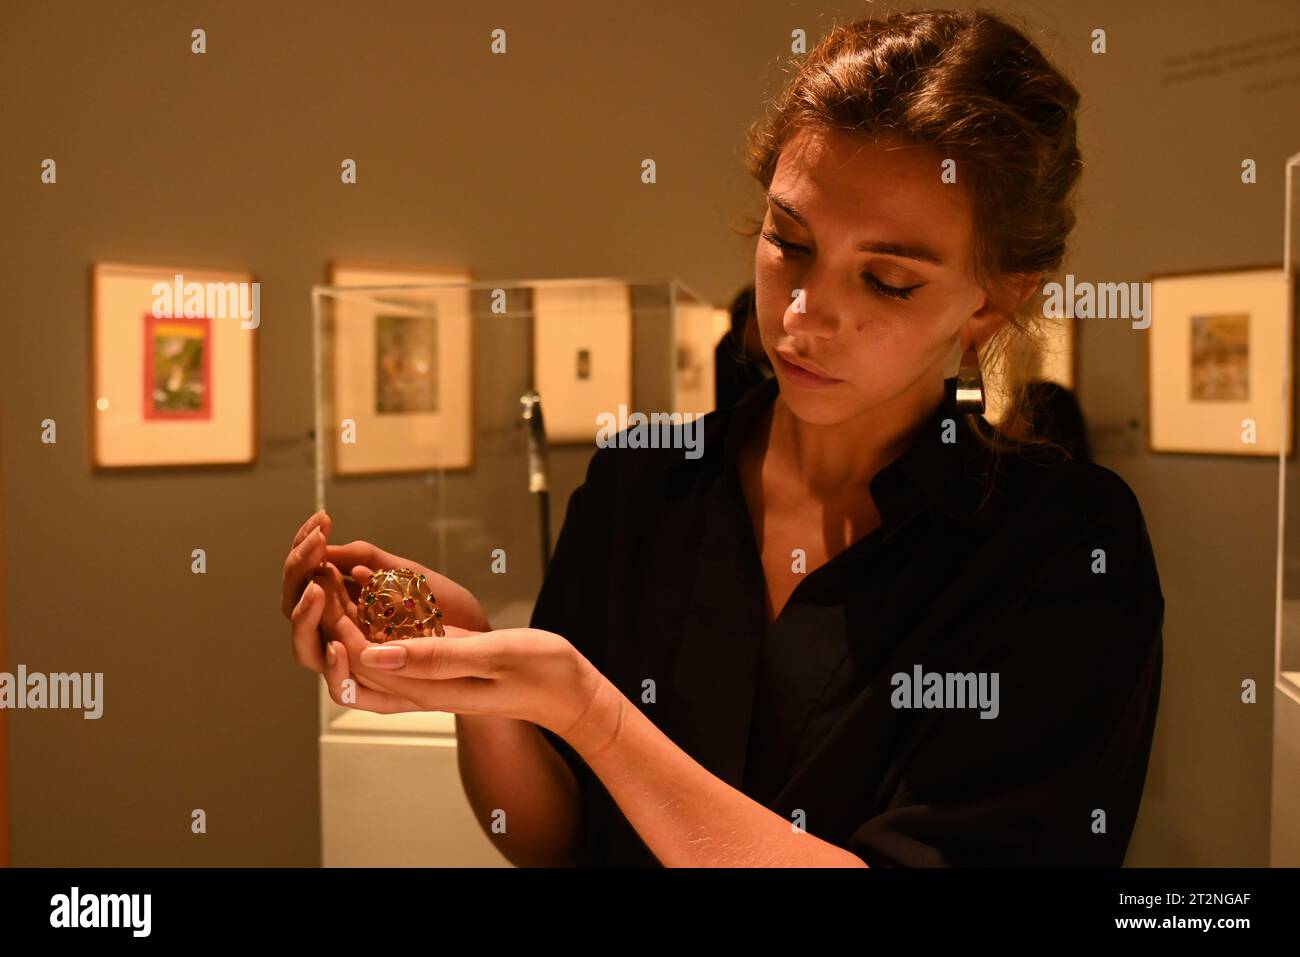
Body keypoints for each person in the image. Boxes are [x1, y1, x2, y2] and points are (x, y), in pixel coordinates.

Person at [281, 9, 1163, 867]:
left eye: (888, 281)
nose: (808, 314)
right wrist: (477, 677)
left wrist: (591, 710)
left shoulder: (1062, 549)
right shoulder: (643, 484)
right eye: (789, 241)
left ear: (994, 299)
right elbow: (557, 841)